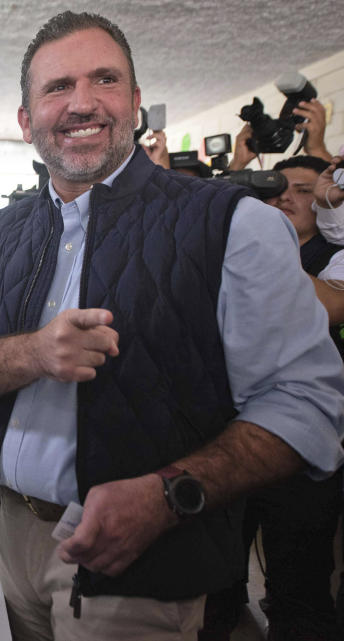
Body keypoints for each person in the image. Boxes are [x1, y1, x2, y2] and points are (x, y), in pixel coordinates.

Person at [0, 11, 344, 640]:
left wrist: (168, 495)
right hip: (7, 538)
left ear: (137, 102)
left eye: (105, 80)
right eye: (58, 87)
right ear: (25, 118)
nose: (82, 102)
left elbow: (309, 402)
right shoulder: (0, 233)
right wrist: (35, 353)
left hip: (144, 567)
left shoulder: (231, 224)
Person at [203, 155, 344, 641]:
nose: (285, 196)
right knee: (214, 583)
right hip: (227, 434)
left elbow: (329, 305)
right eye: (277, 187)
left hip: (303, 443)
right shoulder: (231, 243)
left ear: (329, 200)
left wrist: (261, 236)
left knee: (299, 585)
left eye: (303, 189)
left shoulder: (334, 253)